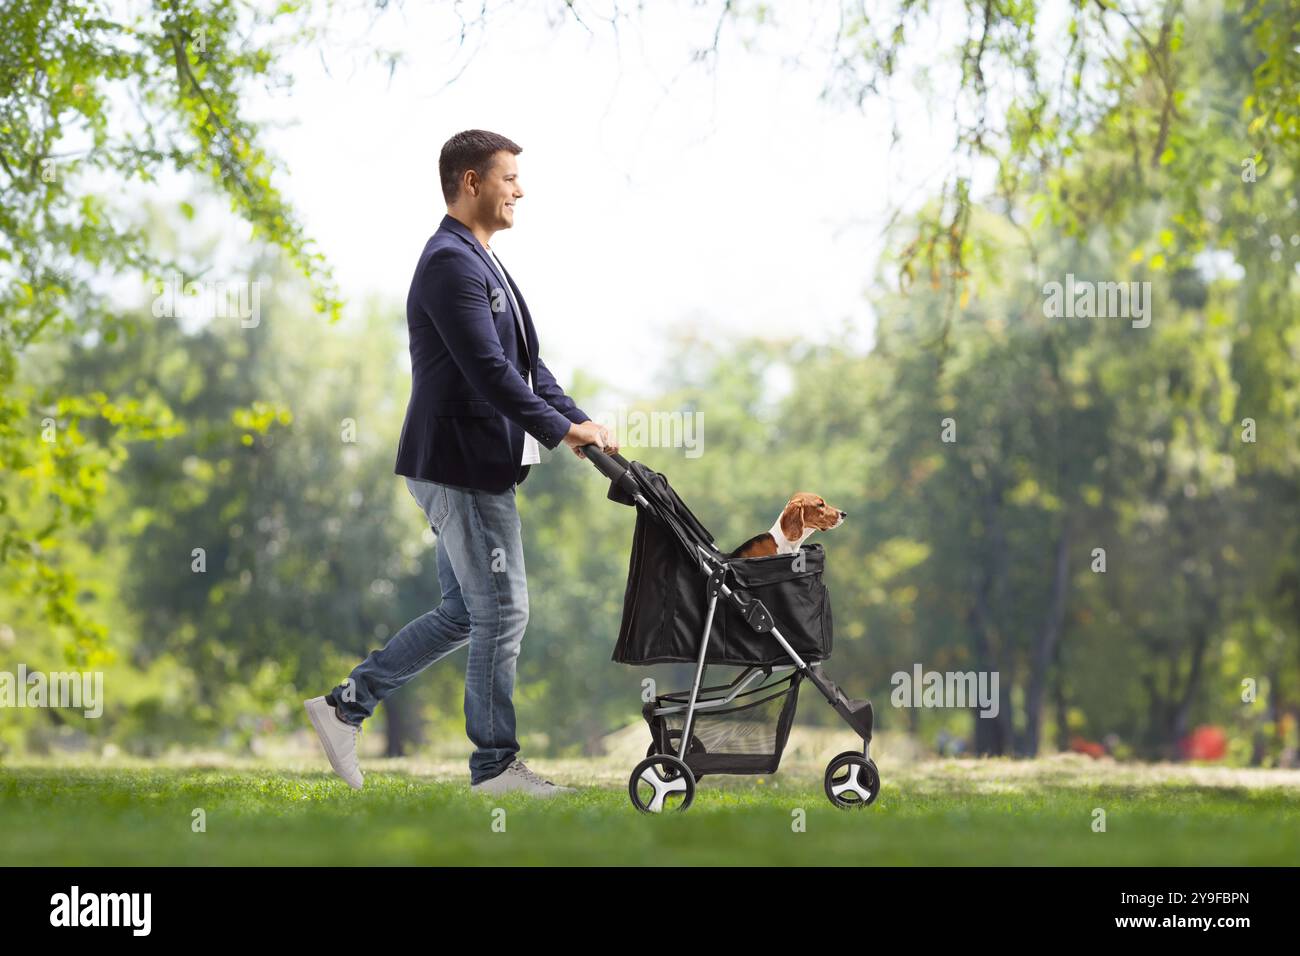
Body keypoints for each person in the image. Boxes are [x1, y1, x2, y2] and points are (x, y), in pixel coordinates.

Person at [304, 129, 617, 797]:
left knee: (466, 613)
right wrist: (562, 432)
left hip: (466, 464)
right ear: (470, 182)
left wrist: (578, 421)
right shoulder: (449, 262)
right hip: (460, 464)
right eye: (509, 178)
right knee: (503, 611)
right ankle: (495, 768)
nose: (520, 191)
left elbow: (527, 367)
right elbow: (486, 372)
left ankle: (343, 708)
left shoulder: (480, 260)